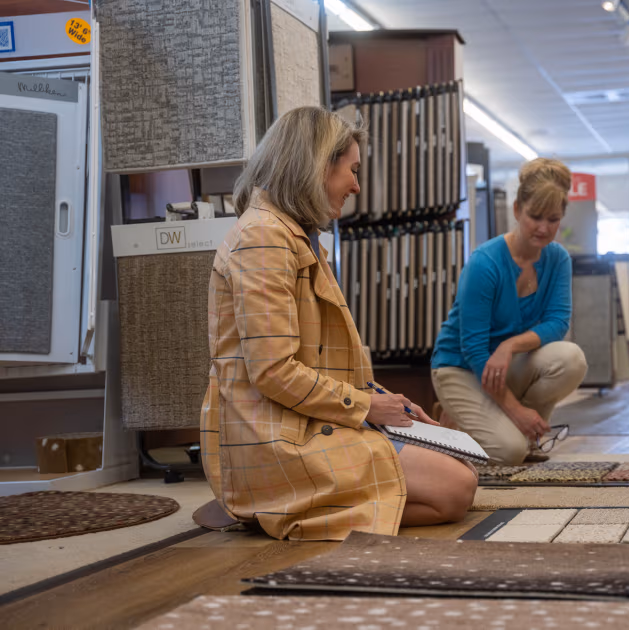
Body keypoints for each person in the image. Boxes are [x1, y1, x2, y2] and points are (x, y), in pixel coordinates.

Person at [200, 107, 477, 541]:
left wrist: (388, 401)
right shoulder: (263, 239)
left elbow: (318, 364)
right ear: (316, 166)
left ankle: (303, 507)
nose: (356, 185)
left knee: (457, 478)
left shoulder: (288, 235)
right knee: (455, 488)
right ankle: (275, 509)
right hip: (276, 438)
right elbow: (273, 371)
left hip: (304, 422)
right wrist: (367, 408)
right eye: (351, 170)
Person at [431, 158, 588, 465]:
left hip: (505, 365)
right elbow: (473, 348)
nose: (544, 228)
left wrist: (509, 345)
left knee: (570, 360)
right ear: (517, 210)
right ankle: (462, 414)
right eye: (535, 217)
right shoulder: (485, 262)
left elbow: (558, 323)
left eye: (553, 219)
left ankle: (516, 430)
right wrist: (516, 411)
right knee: (510, 452)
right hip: (461, 368)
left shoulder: (557, 259)